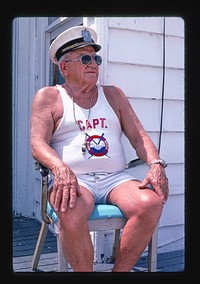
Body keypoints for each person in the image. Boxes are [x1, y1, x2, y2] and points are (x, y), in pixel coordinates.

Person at [30, 25, 169, 272]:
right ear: (64, 67)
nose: (92, 63)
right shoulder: (49, 97)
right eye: (85, 58)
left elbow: (139, 138)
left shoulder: (113, 95)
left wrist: (156, 163)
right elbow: (37, 144)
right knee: (69, 208)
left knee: (151, 202)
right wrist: (59, 168)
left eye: (96, 58)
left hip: (115, 179)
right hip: (75, 181)